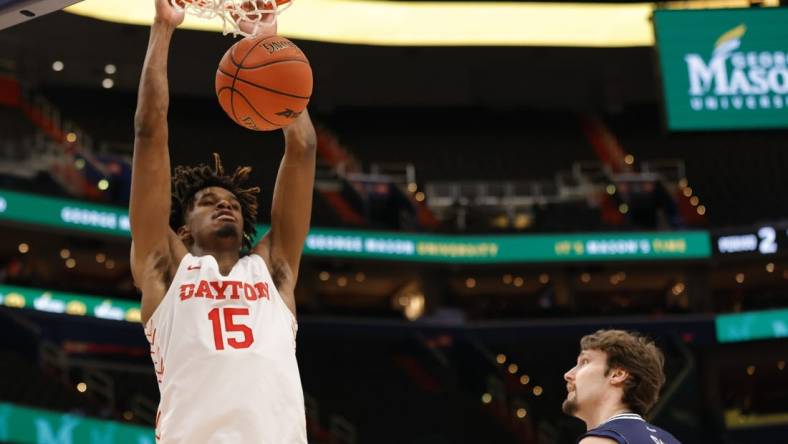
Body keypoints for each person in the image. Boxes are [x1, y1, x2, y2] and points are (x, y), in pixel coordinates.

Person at [130, 0, 315, 442]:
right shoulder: (167, 270)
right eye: (208, 201)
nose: (225, 205)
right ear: (182, 229)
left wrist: (263, 41)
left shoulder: (273, 272)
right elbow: (149, 131)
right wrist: (163, 27)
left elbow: (303, 148)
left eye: (231, 201)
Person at [563, 329, 681, 444]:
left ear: (617, 374)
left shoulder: (601, 440)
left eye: (585, 362)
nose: (567, 375)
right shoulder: (670, 440)